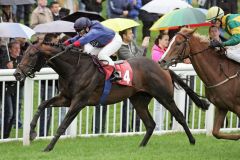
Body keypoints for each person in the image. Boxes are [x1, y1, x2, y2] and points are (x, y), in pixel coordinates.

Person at [64, 17, 122, 82]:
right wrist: (64, 44)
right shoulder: (87, 29)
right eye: (78, 32)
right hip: (102, 43)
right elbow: (76, 38)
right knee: (87, 55)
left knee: (102, 55)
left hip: (114, 40)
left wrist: (72, 45)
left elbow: (85, 38)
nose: (80, 34)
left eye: (81, 31)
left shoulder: (96, 29)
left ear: (87, 28)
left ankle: (115, 73)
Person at [118, 28, 149, 132]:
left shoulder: (132, 43)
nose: (132, 35)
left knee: (138, 104)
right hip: (127, 79)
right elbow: (134, 60)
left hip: (137, 79)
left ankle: (136, 128)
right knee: (127, 106)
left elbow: (142, 56)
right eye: (130, 33)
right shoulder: (121, 47)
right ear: (124, 36)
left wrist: (144, 48)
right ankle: (125, 129)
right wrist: (143, 46)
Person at [3, 41, 23, 138]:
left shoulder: (21, 59)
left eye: (18, 48)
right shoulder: (5, 58)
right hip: (6, 89)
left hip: (17, 89)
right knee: (9, 112)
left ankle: (6, 135)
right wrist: (7, 69)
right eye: (15, 48)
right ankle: (3, 135)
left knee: (14, 113)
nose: (17, 50)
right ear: (9, 49)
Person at [151, 31, 169, 131]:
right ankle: (158, 127)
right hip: (157, 81)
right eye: (166, 40)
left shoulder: (166, 50)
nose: (167, 41)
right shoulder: (155, 52)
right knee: (159, 105)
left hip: (164, 81)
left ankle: (160, 125)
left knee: (165, 104)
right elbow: (161, 65)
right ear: (159, 40)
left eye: (168, 39)